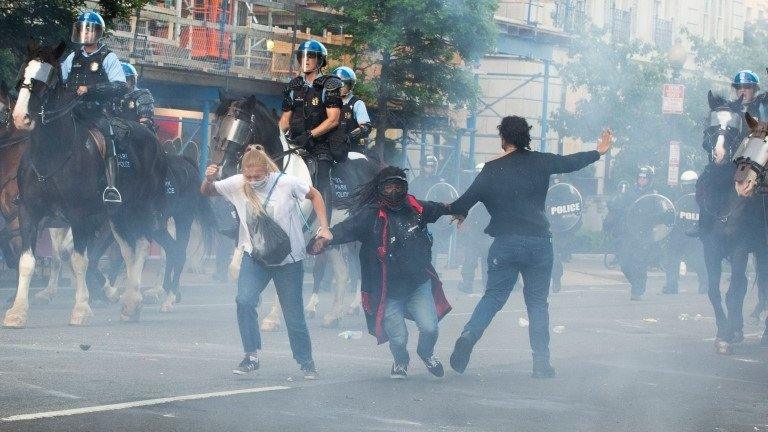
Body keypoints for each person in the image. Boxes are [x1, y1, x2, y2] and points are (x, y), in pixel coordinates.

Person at [446, 116, 613, 378]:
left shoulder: (491, 170)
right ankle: (541, 362)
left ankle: (469, 335)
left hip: (505, 244)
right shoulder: (541, 161)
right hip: (538, 244)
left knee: (493, 297)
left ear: (503, 138)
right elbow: (571, 162)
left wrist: (459, 213)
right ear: (527, 137)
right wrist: (598, 152)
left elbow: (464, 201)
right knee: (536, 304)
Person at [201, 145, 332, 378]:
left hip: (289, 260)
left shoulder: (285, 182)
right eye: (248, 176)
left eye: (257, 176)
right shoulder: (238, 183)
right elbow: (208, 191)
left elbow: (315, 195)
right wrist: (208, 178)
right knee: (244, 300)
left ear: (267, 171)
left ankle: (306, 361)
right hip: (256, 257)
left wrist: (324, 228)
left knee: (293, 314)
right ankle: (251, 356)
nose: (253, 181)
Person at [310, 166, 453, 379]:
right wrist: (322, 240)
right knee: (398, 338)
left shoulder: (417, 207)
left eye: (398, 186)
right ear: (380, 190)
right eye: (389, 187)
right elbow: (343, 230)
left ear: (405, 187)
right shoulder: (369, 216)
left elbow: (440, 208)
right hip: (388, 291)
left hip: (417, 284)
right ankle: (400, 362)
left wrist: (459, 209)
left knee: (430, 328)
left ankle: (427, 353)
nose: (394, 191)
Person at [61, 10, 127, 204]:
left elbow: (120, 85)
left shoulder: (108, 57)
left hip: (96, 112)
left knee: (108, 136)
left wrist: (89, 89)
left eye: (90, 30)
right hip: (71, 111)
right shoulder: (72, 57)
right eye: (82, 30)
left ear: (98, 33)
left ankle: (111, 187)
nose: (86, 34)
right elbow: (61, 81)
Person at [279, 39, 344, 220]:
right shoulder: (293, 86)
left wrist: (310, 134)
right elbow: (285, 120)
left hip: (320, 144)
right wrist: (279, 137)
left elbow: (333, 120)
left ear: (320, 60)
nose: (305, 60)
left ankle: (324, 227)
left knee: (322, 173)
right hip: (295, 141)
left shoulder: (329, 85)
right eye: (302, 56)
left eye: (311, 57)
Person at [606, 165, 664, 300]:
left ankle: (638, 289)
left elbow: (661, 214)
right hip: (629, 232)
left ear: (650, 180)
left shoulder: (654, 195)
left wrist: (650, 218)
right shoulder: (629, 192)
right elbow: (617, 207)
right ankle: (636, 283)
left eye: (645, 178)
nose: (642, 180)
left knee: (640, 263)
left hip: (644, 234)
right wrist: (615, 203)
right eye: (640, 177)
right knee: (625, 262)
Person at [457, 163, 491, 294]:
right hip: (474, 230)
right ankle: (467, 284)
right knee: (470, 260)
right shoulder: (470, 189)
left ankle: (486, 286)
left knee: (486, 261)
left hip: (487, 230)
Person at [332, 66, 372, 155]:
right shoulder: (328, 103)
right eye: (336, 84)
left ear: (351, 85)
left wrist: (349, 137)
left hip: (351, 150)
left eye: (343, 84)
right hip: (330, 147)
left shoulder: (357, 103)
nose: (340, 87)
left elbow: (365, 127)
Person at [115, 62, 156, 133]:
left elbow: (145, 122)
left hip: (137, 136)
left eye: (126, 79)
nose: (122, 83)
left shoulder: (143, 95)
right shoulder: (113, 97)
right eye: (119, 80)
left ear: (133, 80)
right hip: (117, 134)